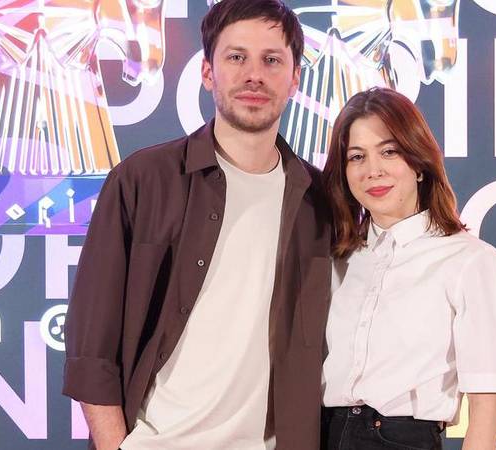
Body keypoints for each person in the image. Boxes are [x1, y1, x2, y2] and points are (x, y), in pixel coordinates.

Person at [62, 1, 332, 449]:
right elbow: (91, 347)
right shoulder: (143, 180)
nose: (254, 75)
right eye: (236, 57)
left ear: (294, 79)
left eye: (271, 60)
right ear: (208, 73)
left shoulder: (322, 201)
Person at [321, 87, 496, 450]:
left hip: (400, 438)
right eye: (357, 157)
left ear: (419, 163)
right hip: (324, 432)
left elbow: (487, 406)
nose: (373, 171)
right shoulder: (337, 260)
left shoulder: (471, 261)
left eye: (389, 152)